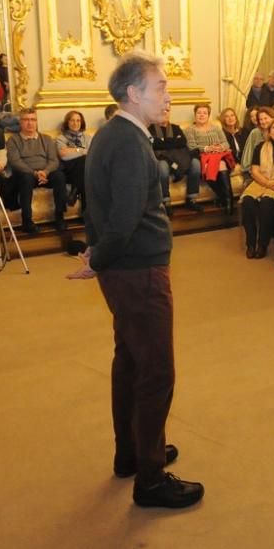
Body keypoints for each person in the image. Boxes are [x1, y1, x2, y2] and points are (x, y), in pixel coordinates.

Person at [85, 51, 203, 509]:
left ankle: (131, 452)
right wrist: (97, 259)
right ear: (133, 94)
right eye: (161, 87)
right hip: (139, 272)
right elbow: (125, 218)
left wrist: (97, 253)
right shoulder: (131, 143)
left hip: (124, 268)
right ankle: (151, 479)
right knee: (156, 371)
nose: (169, 96)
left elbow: (102, 207)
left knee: (130, 362)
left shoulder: (110, 134)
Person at [241, 116, 274, 259]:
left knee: (266, 203)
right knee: (247, 202)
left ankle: (262, 244)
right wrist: (267, 183)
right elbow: (254, 171)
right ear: (269, 131)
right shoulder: (260, 146)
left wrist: (273, 184)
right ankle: (250, 244)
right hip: (260, 182)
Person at [7, 107, 68, 233]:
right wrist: (34, 173)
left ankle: (60, 217)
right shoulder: (13, 140)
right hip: (26, 175)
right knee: (26, 178)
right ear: (20, 122)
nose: (30, 123)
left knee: (59, 176)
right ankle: (27, 221)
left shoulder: (46, 139)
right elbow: (15, 162)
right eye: (26, 120)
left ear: (36, 122)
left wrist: (45, 172)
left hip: (45, 173)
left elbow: (54, 160)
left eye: (33, 120)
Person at [150, 104, 202, 215]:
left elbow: (182, 142)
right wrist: (172, 142)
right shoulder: (150, 129)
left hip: (179, 160)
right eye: (161, 110)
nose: (165, 113)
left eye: (167, 111)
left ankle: (191, 199)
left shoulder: (176, 128)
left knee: (196, 163)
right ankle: (165, 202)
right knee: (162, 167)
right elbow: (153, 145)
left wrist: (163, 142)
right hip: (163, 160)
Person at [185, 103, 235, 212]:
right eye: (199, 113)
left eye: (204, 113)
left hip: (219, 155)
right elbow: (192, 147)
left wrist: (219, 148)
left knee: (221, 165)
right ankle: (224, 198)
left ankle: (228, 201)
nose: (202, 115)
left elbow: (226, 144)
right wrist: (207, 148)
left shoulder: (216, 128)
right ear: (195, 115)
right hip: (202, 156)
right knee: (208, 167)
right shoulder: (190, 130)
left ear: (208, 115)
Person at [56, 110, 91, 210]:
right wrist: (81, 150)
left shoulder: (88, 138)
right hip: (68, 171)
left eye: (78, 120)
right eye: (72, 120)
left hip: (84, 171)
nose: (76, 123)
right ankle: (86, 215)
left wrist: (71, 151)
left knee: (84, 170)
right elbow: (63, 156)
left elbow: (92, 153)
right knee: (83, 161)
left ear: (82, 122)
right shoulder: (61, 138)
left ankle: (74, 192)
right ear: (67, 122)